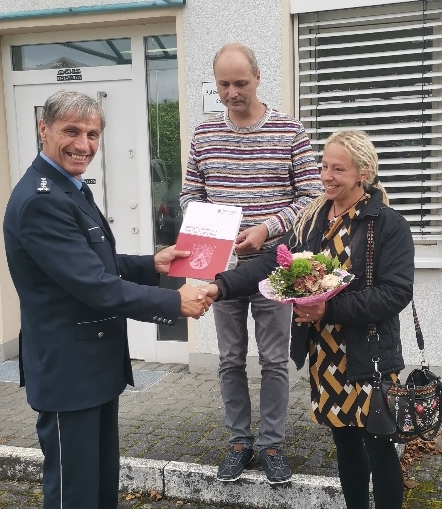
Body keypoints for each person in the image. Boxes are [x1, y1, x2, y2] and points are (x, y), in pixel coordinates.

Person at [3, 90, 208, 509]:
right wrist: (173, 304)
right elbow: (94, 284)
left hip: (93, 367)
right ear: (44, 129)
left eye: (93, 134)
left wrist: (152, 263)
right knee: (73, 494)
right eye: (72, 131)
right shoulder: (41, 200)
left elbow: (96, 261)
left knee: (99, 486)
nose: (84, 145)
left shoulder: (70, 188)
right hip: (68, 372)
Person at [200, 130, 414, 509]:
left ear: (362, 173)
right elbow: (272, 262)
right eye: (323, 166)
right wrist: (222, 286)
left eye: (338, 169)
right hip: (327, 358)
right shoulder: (314, 218)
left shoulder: (387, 224)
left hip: (369, 359)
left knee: (380, 451)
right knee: (346, 449)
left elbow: (396, 293)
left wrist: (328, 309)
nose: (326, 176)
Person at [179, 43, 322, 484]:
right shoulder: (203, 136)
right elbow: (188, 197)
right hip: (223, 268)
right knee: (230, 358)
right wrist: (216, 233)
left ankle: (272, 444)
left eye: (240, 83)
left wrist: (265, 228)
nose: (232, 92)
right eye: (223, 84)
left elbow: (312, 198)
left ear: (258, 78)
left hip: (274, 265)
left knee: (276, 359)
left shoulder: (290, 131)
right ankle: (239, 442)